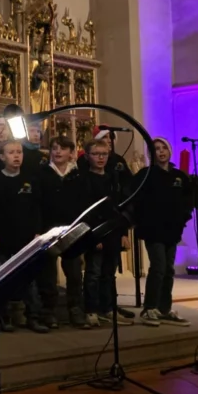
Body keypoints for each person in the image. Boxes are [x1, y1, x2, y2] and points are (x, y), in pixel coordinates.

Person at [0, 139, 49, 333]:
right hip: (3, 238)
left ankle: (34, 316)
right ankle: (4, 317)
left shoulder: (30, 180)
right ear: (1, 157)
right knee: (3, 280)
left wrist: (38, 231)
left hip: (27, 239)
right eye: (11, 152)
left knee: (30, 281)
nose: (16, 156)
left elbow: (37, 208)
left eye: (19, 152)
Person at [132, 138, 193, 327]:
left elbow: (187, 200)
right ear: (151, 154)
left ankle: (164, 309)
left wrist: (183, 219)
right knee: (158, 267)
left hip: (172, 231)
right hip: (153, 230)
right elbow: (135, 201)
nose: (161, 151)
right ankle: (149, 308)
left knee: (169, 269)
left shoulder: (179, 176)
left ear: (169, 151)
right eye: (156, 149)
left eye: (163, 147)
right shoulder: (145, 174)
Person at [38, 136, 89, 329]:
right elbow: (38, 203)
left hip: (72, 229)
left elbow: (84, 203)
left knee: (75, 272)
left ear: (71, 152)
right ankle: (48, 311)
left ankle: (75, 309)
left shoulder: (78, 175)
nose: (58, 152)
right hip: (48, 228)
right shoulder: (43, 173)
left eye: (63, 148)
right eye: (54, 148)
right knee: (48, 273)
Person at [81, 138, 132, 328]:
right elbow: (87, 210)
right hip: (94, 232)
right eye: (96, 154)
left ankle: (108, 308)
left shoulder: (113, 179)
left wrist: (123, 233)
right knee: (93, 272)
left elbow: (118, 208)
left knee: (109, 273)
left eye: (104, 154)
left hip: (113, 232)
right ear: (87, 156)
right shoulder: (84, 179)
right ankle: (91, 310)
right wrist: (93, 236)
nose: (100, 158)